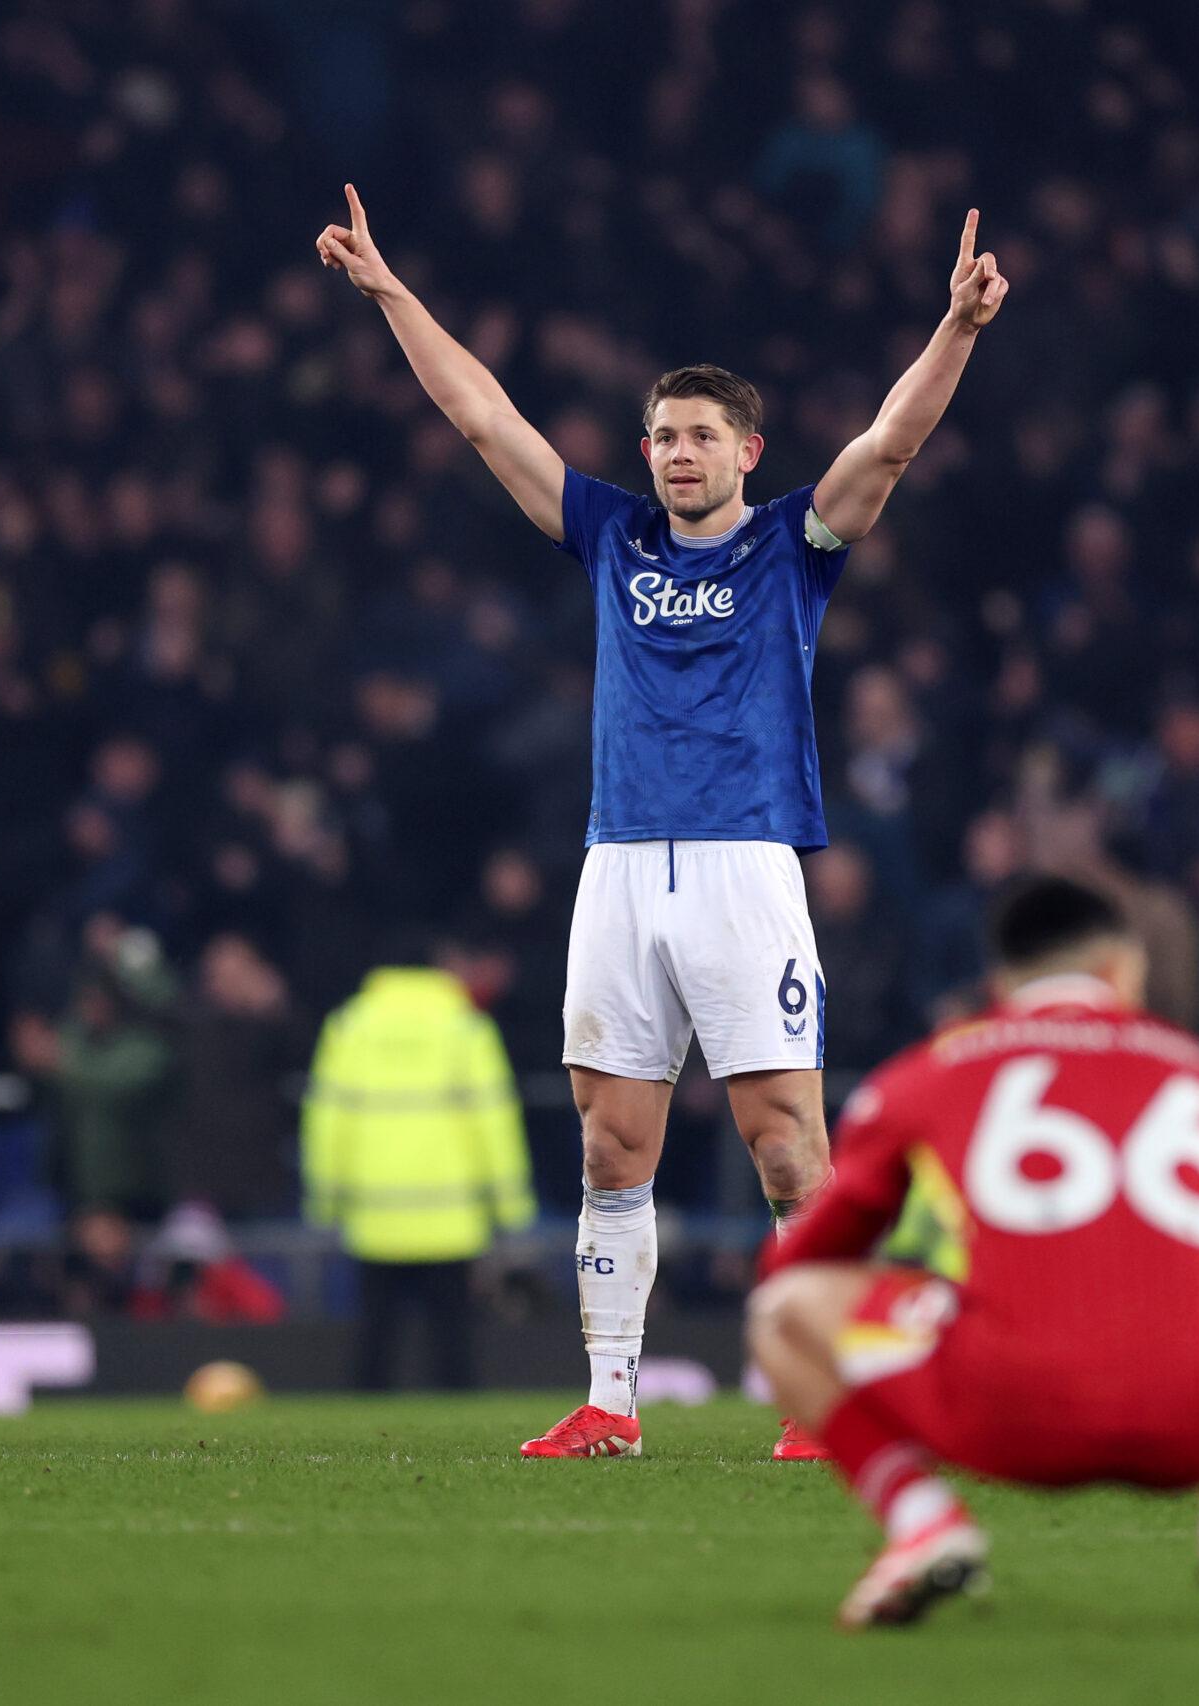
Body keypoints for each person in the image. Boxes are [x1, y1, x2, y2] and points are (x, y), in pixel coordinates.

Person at [316, 183, 1009, 1456]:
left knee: (785, 1144)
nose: (677, 453)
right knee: (609, 1142)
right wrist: (391, 293)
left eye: (700, 434)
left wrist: (957, 328)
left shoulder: (793, 543)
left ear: (747, 450)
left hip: (745, 862)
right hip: (620, 864)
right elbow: (484, 418)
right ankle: (611, 1403)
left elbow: (888, 446)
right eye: (662, 436)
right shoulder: (611, 537)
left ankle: (820, 1396)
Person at [748, 877, 1199, 1632]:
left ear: (1000, 983)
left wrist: (937, 1293)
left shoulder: (929, 1071)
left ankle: (924, 1524)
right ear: (1119, 969)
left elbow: (802, 1262)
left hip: (1010, 1413)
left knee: (782, 1311)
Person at [301, 951, 536, 1391]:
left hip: (374, 1218)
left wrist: (324, 1202)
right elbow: (494, 1120)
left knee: (374, 1346)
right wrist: (511, 1206)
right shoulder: (466, 1027)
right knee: (453, 1347)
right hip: (452, 1219)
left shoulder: (350, 1026)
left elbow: (328, 1121)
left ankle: (365, 1430)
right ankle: (462, 1430)